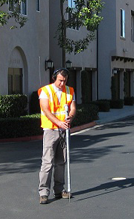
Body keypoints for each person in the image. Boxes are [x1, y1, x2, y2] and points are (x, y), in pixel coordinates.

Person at [38, 68, 76, 204]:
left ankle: (59, 190)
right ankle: (43, 193)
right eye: (60, 80)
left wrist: (70, 117)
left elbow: (72, 108)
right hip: (50, 130)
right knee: (47, 162)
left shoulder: (69, 90)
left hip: (64, 130)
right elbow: (46, 110)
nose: (62, 83)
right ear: (55, 78)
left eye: (64, 80)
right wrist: (59, 122)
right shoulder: (45, 91)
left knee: (61, 162)